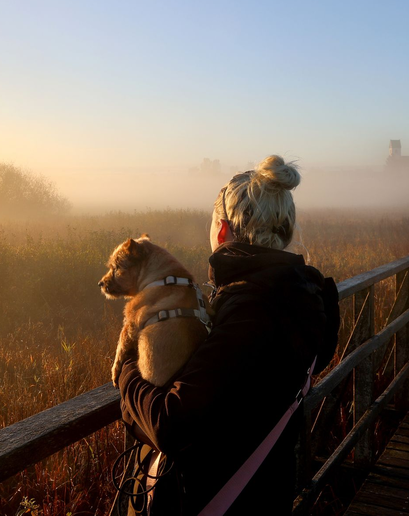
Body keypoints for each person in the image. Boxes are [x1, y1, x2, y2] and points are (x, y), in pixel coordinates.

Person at [117, 155, 340, 515]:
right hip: (266, 487)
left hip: (217, 497)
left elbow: (169, 423)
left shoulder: (252, 310)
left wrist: (127, 367)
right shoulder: (302, 298)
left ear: (222, 230)